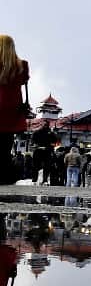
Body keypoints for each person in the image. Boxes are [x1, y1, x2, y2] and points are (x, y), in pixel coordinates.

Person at [0, 35, 30, 185]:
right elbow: (25, 80)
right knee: (6, 145)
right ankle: (5, 175)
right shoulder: (22, 65)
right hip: (12, 111)